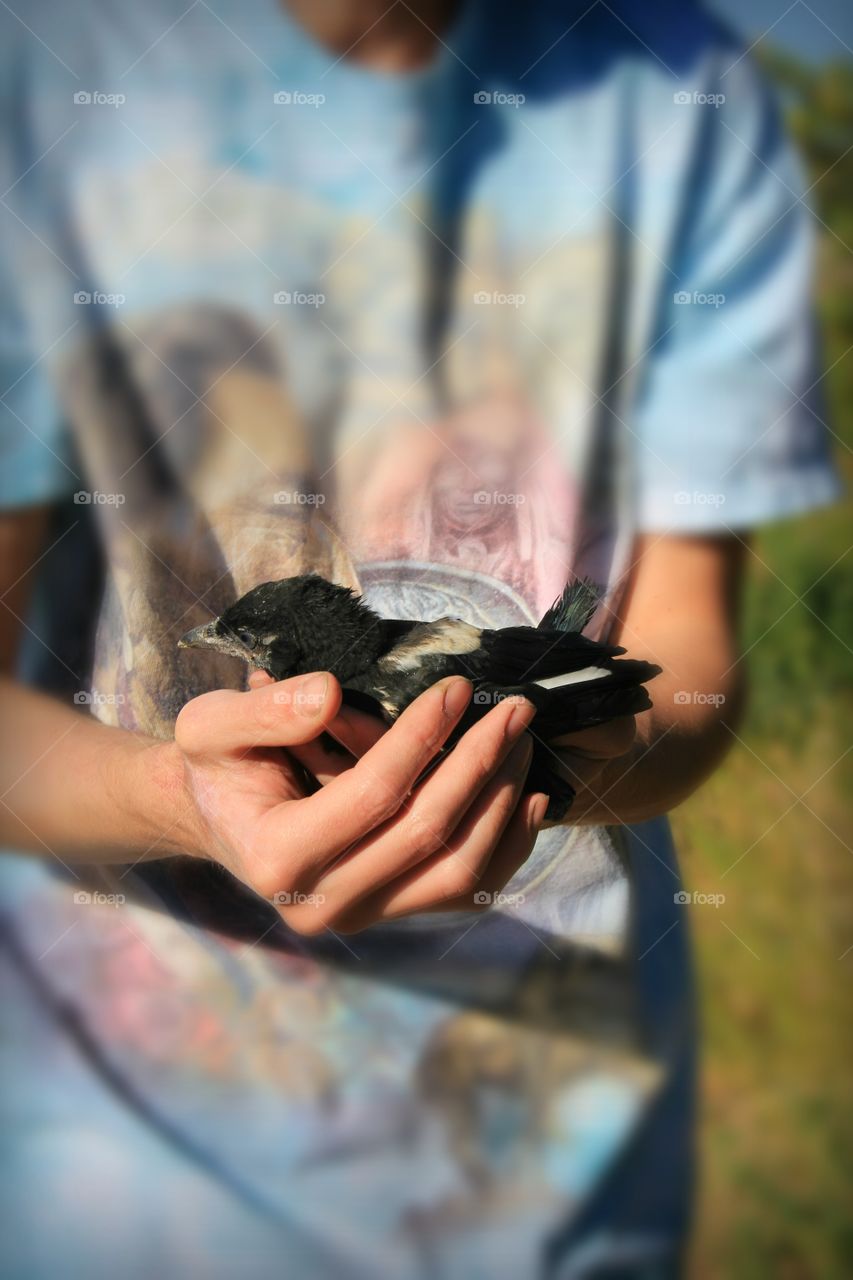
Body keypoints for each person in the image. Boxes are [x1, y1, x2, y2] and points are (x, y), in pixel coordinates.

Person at [0, 1, 839, 1276]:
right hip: (110, 1181)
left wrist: (558, 762)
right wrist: (176, 793)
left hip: (550, 1177)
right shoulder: (46, 78)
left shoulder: (686, 98)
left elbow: (686, 667)